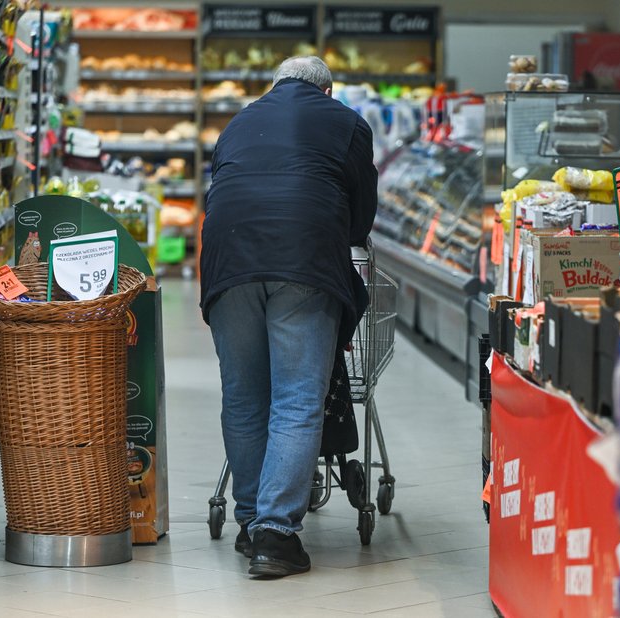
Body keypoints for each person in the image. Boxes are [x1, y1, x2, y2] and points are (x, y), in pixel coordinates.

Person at [199, 56, 377, 578]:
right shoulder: (346, 122)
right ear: (326, 91)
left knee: (244, 396)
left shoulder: (239, 121)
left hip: (228, 263)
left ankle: (251, 521)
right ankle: (276, 535)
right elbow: (360, 219)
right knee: (298, 398)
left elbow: (221, 188)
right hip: (303, 260)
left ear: (274, 86)